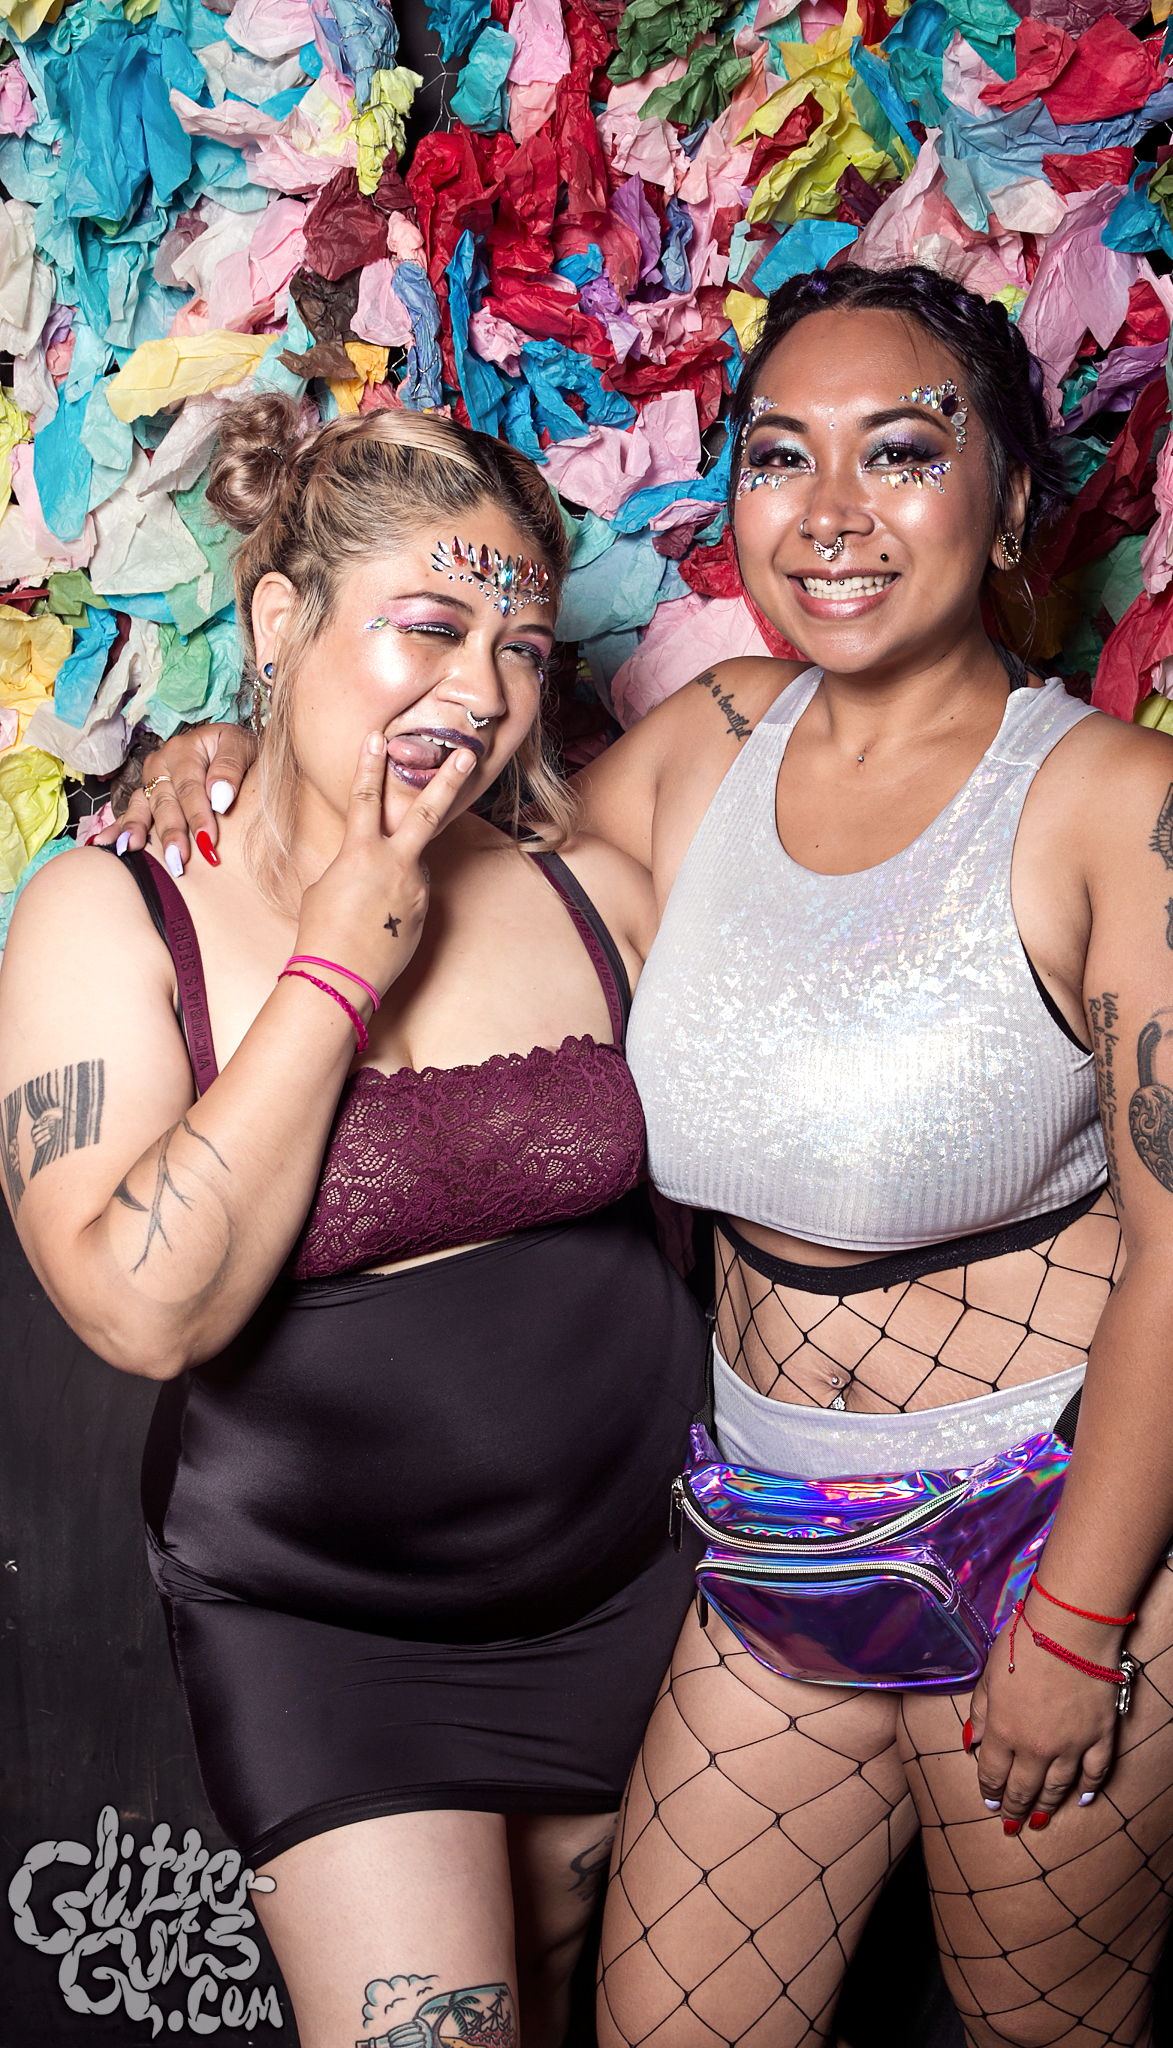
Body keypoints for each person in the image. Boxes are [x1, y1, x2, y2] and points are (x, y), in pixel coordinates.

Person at [109, 264, 1173, 2048]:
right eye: (779, 456)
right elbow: (475, 857)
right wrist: (238, 745)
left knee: (1042, 2031)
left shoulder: (1122, 802)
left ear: (1011, 503)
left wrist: (1075, 1616)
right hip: (771, 1532)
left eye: (902, 453)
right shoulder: (710, 745)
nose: (832, 513)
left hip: (1063, 1523)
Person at [0, 401, 710, 2048]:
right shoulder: (110, 910)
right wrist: (337, 965)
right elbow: (142, 1310)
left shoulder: (587, 890)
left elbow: (817, 702)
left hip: (643, 1592)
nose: (481, 692)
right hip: (332, 1639)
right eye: (429, 626)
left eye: (520, 649)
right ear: (277, 621)